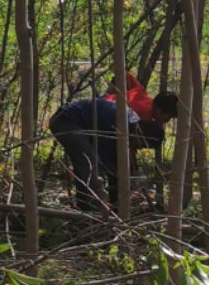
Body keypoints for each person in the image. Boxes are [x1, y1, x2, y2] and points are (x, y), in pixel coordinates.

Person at [48, 84, 179, 210]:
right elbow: (105, 159)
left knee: (98, 162)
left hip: (82, 126)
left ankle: (110, 205)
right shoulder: (118, 125)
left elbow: (115, 160)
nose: (137, 148)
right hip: (66, 120)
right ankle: (89, 208)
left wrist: (130, 174)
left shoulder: (130, 124)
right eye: (140, 145)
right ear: (139, 134)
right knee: (89, 162)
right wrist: (127, 177)